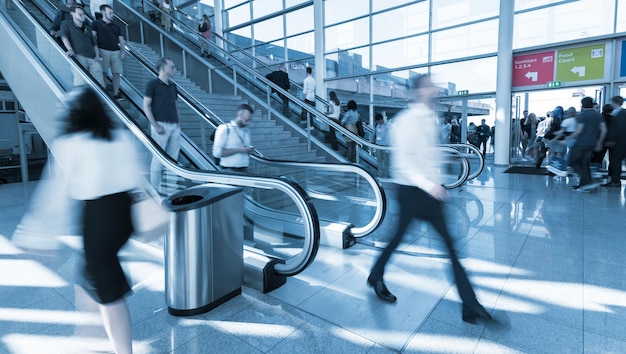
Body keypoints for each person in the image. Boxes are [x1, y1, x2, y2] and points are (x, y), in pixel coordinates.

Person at [366, 74, 491, 324]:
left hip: (430, 193)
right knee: (397, 239)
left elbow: (426, 156)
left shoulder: (429, 119)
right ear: (419, 91)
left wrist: (441, 174)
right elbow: (403, 162)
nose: (435, 89)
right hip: (413, 193)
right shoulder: (407, 121)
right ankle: (376, 274)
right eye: (430, 86)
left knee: (450, 248)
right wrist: (429, 185)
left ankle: (470, 305)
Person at [54, 87, 142, 354]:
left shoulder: (72, 142)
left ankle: (121, 349)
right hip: (124, 215)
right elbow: (137, 176)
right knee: (91, 274)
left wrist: (32, 234)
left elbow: (56, 192)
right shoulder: (119, 137)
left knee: (108, 290)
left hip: (98, 218)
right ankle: (90, 332)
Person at [143, 57, 180, 190]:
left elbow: (174, 105)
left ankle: (171, 189)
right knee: (158, 159)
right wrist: (155, 125)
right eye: (172, 67)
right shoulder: (152, 84)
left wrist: (178, 122)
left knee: (173, 159)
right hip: (160, 125)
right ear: (163, 68)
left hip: (174, 126)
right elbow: (146, 106)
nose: (174, 69)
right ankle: (155, 189)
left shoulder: (173, 86)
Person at [564, 97, 607, 191]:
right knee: (585, 163)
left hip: (581, 143)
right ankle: (584, 185)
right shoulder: (598, 115)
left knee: (573, 162)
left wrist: (568, 138)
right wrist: (599, 142)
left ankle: (587, 182)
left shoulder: (582, 115)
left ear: (582, 104)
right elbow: (604, 130)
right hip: (592, 143)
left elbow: (579, 130)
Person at [60, 5, 105, 87]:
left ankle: (99, 98)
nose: (83, 16)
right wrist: (70, 49)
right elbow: (64, 37)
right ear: (72, 14)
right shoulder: (66, 24)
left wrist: (97, 55)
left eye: (83, 14)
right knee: (80, 81)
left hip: (92, 58)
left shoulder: (87, 28)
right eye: (80, 14)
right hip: (78, 56)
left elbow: (94, 43)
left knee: (99, 82)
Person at [92, 4, 126, 100]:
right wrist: (96, 51)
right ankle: (103, 91)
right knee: (104, 72)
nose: (112, 15)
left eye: (112, 13)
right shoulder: (96, 23)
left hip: (116, 51)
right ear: (103, 13)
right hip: (103, 50)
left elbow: (121, 40)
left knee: (116, 73)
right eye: (110, 13)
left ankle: (116, 93)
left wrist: (123, 52)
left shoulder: (116, 26)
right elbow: (93, 37)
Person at [212, 104, 255, 172]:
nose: (248, 123)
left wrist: (249, 151)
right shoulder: (225, 129)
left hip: (244, 169)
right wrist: (238, 150)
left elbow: (244, 149)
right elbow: (217, 153)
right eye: (246, 120)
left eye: (250, 120)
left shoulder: (246, 131)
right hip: (229, 170)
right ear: (240, 115)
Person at [602, 96, 626, 187]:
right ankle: (614, 179)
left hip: (619, 143)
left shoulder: (619, 114)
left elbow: (618, 129)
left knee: (615, 161)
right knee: (614, 161)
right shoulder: (622, 113)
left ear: (614, 102)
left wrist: (611, 140)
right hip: (620, 142)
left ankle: (615, 181)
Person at [373, 113, 390, 177]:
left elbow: (390, 135)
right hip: (378, 145)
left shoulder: (387, 125)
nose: (380, 121)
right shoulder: (376, 125)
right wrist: (373, 142)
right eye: (378, 121)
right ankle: (379, 174)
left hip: (385, 145)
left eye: (380, 120)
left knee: (386, 161)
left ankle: (386, 174)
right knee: (379, 161)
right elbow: (374, 134)